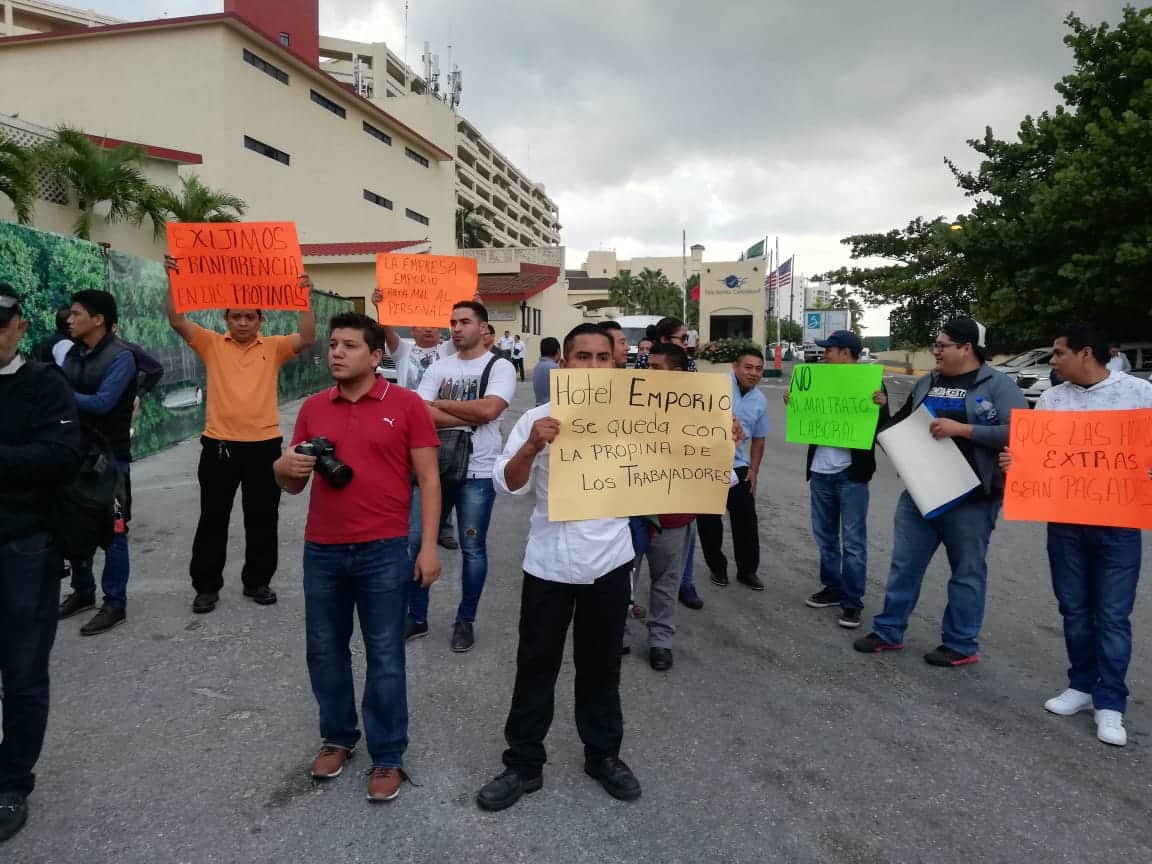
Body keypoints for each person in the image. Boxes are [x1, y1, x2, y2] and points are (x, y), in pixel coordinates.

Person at [274, 312, 441, 801]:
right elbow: (292, 484)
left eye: (349, 345)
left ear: (375, 355)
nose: (337, 353)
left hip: (385, 549)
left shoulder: (407, 405)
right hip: (322, 548)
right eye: (332, 344)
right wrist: (281, 467)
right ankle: (338, 737)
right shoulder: (312, 409)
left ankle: (387, 755)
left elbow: (429, 480)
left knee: (385, 654)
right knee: (324, 651)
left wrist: (427, 547)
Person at [475, 323, 641, 812]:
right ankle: (523, 764)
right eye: (581, 357)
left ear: (615, 364)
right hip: (548, 562)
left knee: (601, 667)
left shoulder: (642, 419)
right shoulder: (537, 419)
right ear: (565, 365)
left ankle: (603, 755)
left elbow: (689, 468)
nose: (591, 366)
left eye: (601, 357)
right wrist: (531, 447)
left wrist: (723, 438)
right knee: (536, 665)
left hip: (610, 560)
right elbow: (506, 485)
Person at [1001, 324, 1152, 746]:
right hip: (1065, 522)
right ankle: (1081, 686)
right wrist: (1016, 464)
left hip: (1118, 526)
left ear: (1087, 353)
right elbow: (1036, 457)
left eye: (1058, 353)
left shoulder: (1138, 395)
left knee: (1112, 616)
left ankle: (1111, 703)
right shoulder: (1052, 398)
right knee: (1073, 609)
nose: (1052, 361)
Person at [854, 318, 1028, 666]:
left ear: (966, 348)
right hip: (922, 491)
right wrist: (882, 411)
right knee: (904, 565)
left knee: (966, 572)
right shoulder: (927, 382)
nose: (935, 351)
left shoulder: (997, 385)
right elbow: (902, 421)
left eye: (942, 345)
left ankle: (961, 644)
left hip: (973, 499)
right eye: (936, 345)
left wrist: (963, 429)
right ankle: (889, 631)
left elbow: (1020, 432)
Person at [164, 255, 316, 614]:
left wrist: (304, 296)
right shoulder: (211, 343)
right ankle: (206, 586)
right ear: (226, 320)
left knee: (263, 517)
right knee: (212, 518)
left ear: (261, 320)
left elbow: (307, 337)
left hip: (264, 447)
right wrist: (173, 278)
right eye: (236, 316)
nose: (243, 322)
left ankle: (258, 581)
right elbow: (176, 319)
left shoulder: (274, 347)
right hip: (219, 447)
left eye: (250, 316)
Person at [0, 284, 82, 843]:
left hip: (24, 546)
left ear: (20, 329)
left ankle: (11, 784)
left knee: (23, 672)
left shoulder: (42, 385)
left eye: (1, 324)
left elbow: (59, 456)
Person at [408, 301, 516, 652]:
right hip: (434, 469)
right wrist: (471, 416)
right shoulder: (439, 367)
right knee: (414, 544)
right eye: (452, 322)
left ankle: (465, 620)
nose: (456, 328)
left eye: (464, 322)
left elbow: (490, 409)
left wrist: (443, 405)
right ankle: (416, 616)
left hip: (478, 473)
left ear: (483, 327)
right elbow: (418, 415)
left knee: (472, 548)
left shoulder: (500, 367)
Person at [789, 331, 888, 629]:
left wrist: (881, 407)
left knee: (854, 541)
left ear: (846, 353)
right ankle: (832, 587)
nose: (824, 354)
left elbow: (884, 431)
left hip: (851, 474)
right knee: (825, 536)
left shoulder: (870, 384)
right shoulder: (816, 379)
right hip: (821, 472)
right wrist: (793, 402)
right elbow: (805, 416)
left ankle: (852, 601)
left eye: (829, 350)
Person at [56, 290, 137, 636]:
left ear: (98, 319)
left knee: (115, 531)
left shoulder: (122, 357)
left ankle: (114, 602)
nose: (69, 319)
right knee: (74, 525)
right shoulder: (73, 353)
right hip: (76, 456)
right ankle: (83, 591)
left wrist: (58, 395)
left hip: (112, 462)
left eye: (76, 314)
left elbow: (103, 403)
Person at [628, 343, 694, 671]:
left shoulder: (703, 412)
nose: (647, 373)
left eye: (655, 368)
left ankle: (660, 640)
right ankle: (618, 634)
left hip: (673, 514)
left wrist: (729, 437)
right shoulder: (630, 403)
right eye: (646, 366)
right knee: (623, 576)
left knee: (666, 581)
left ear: (677, 374)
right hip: (631, 509)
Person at [697, 347, 769, 592]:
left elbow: (759, 438)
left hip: (739, 467)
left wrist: (755, 470)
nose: (753, 373)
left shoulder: (760, 400)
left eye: (758, 369)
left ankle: (747, 571)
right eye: (748, 367)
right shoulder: (715, 388)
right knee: (708, 521)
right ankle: (717, 567)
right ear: (735, 367)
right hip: (708, 466)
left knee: (747, 521)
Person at [533, 336, 561, 406]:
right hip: (550, 409)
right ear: (558, 351)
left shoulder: (537, 366)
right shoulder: (554, 368)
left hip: (539, 406)